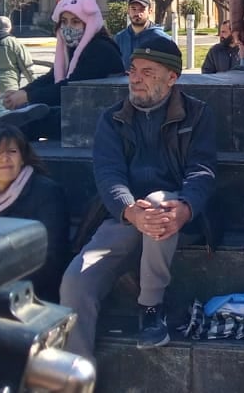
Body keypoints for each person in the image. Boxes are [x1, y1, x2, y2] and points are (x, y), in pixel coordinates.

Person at [59, 38, 216, 358]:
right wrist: (130, 210)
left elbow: (201, 171)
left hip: (177, 215)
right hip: (125, 215)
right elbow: (108, 175)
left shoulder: (197, 115)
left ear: (172, 78)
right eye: (132, 71)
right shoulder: (112, 118)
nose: (135, 78)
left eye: (147, 72)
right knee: (76, 282)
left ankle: (150, 307)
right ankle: (74, 378)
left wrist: (186, 208)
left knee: (160, 202)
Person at [0, 126, 70, 301]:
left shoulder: (46, 192)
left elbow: (52, 258)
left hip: (31, 292)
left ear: (22, 158)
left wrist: (1, 291)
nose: (4, 158)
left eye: (12, 151)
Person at [1, 0, 122, 143]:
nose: (68, 27)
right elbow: (52, 77)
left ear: (89, 23)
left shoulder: (100, 49)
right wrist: (24, 92)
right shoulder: (72, 48)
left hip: (96, 119)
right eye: (64, 21)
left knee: (27, 126)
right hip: (78, 113)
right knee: (19, 127)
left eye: (76, 21)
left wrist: (29, 97)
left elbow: (72, 87)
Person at [114, 0, 173, 70]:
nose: (137, 14)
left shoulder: (162, 39)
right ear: (128, 11)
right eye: (133, 9)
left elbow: (171, 67)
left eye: (142, 9)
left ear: (150, 11)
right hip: (124, 81)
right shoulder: (119, 38)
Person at [0, 15, 36, 99]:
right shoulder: (15, 43)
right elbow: (27, 68)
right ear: (10, 28)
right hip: (9, 88)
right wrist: (35, 87)